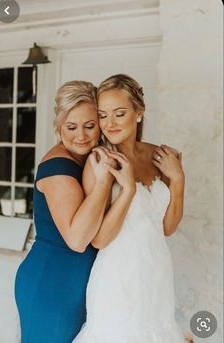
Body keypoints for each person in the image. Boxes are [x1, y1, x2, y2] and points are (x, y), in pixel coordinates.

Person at [73, 74, 189, 342]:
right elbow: (100, 239)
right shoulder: (100, 161)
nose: (109, 123)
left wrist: (179, 179)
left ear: (139, 112)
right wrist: (128, 190)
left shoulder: (158, 156)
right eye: (103, 115)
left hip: (157, 272)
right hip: (118, 278)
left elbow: (168, 228)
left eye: (119, 113)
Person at [14, 81, 115, 343]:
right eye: (71, 127)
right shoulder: (59, 168)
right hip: (53, 282)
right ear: (58, 126)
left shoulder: (90, 159)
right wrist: (104, 182)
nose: (80, 135)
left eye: (89, 126)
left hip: (75, 282)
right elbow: (77, 240)